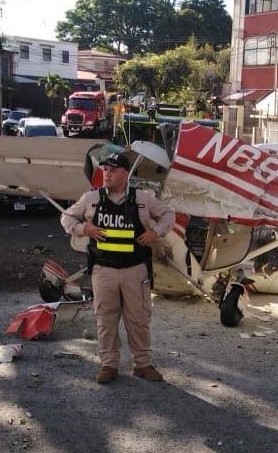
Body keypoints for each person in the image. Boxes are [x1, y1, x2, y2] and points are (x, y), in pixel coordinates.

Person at [61, 152, 174, 384]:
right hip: (104, 270)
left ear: (125, 174)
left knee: (139, 319)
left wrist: (156, 232)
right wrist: (85, 230)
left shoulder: (143, 199)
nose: (107, 174)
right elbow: (66, 218)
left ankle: (143, 365)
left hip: (135, 270)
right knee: (105, 319)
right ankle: (108, 365)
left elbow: (168, 214)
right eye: (105, 170)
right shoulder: (91, 198)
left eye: (113, 170)